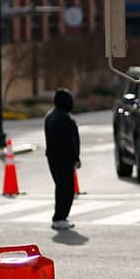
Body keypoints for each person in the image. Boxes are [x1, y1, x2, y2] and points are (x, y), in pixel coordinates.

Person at [44, 88, 81, 230]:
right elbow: (71, 142)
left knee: (60, 187)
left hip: (52, 158)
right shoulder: (66, 119)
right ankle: (60, 217)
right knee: (66, 189)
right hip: (65, 160)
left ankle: (59, 217)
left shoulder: (49, 116)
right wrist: (76, 158)